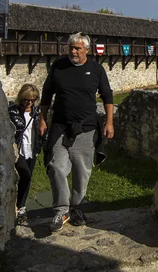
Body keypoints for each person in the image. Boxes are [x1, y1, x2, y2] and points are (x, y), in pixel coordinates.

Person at [39, 32, 114, 233]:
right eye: (71, 47)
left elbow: (107, 95)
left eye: (77, 48)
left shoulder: (96, 69)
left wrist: (109, 122)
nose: (73, 51)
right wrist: (42, 119)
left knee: (82, 172)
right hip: (60, 127)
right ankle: (61, 211)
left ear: (87, 50)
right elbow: (47, 93)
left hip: (86, 129)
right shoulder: (59, 66)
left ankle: (76, 207)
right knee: (56, 167)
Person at [9, 83, 43, 225]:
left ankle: (21, 207)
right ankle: (17, 206)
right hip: (18, 149)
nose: (28, 103)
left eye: (32, 100)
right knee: (25, 174)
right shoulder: (12, 111)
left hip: (32, 149)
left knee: (27, 179)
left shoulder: (38, 111)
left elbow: (42, 130)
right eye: (26, 100)